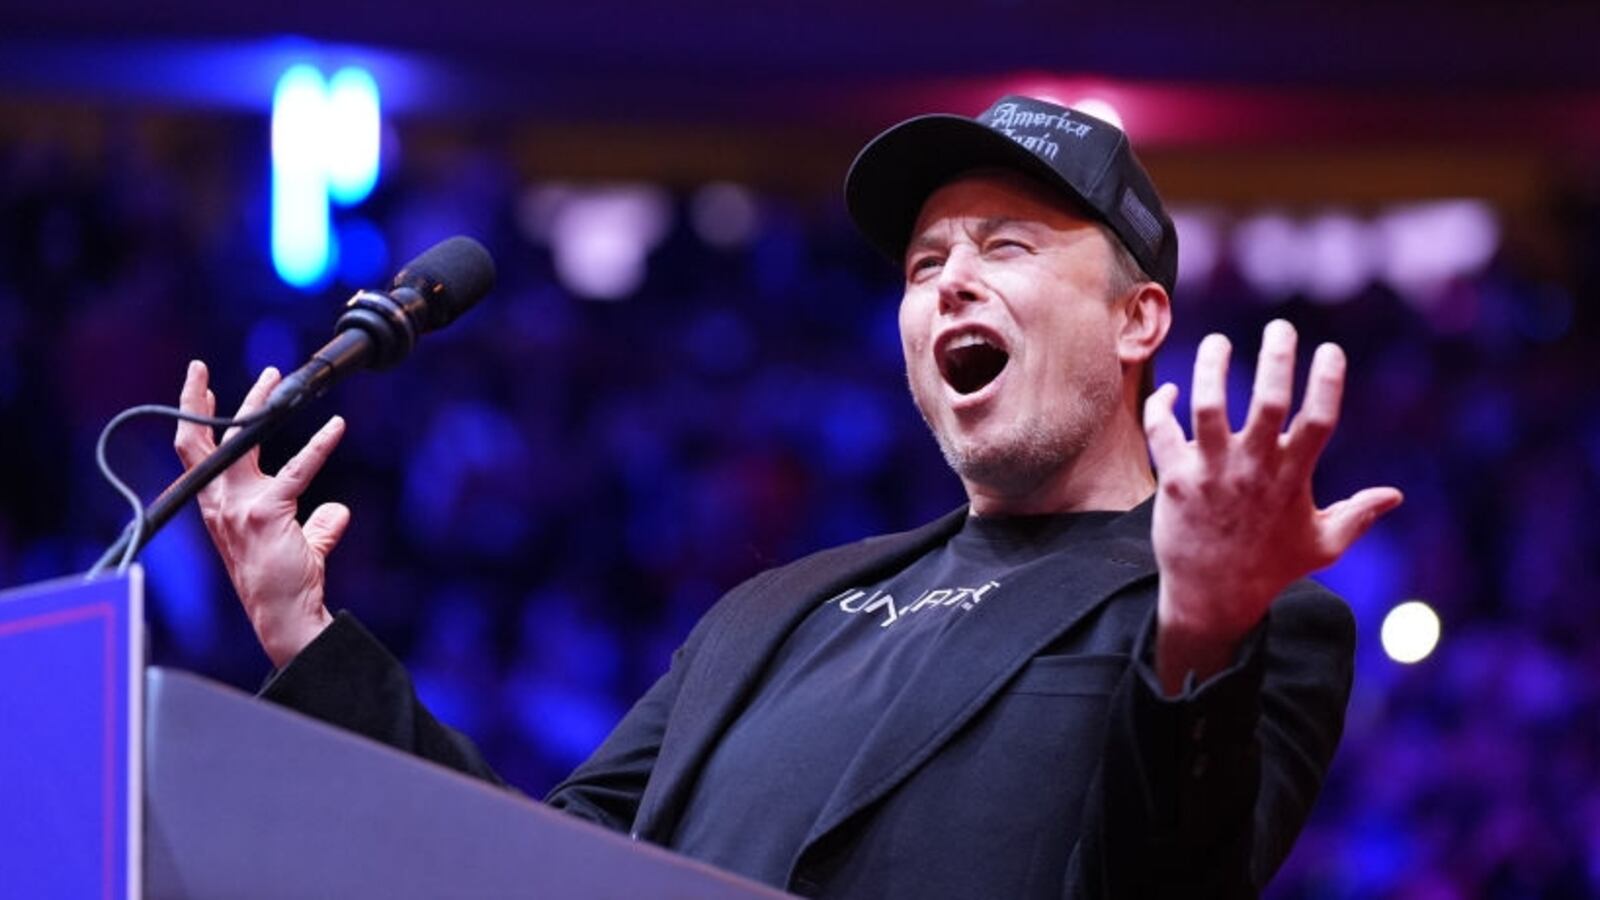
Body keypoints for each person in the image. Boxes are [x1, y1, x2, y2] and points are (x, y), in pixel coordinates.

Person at [173, 95, 1402, 898]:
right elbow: (531, 873)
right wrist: (304, 632)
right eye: (926, 267)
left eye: (1007, 248)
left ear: (1138, 319)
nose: (951, 285)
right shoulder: (775, 611)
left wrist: (1197, 636)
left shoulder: (1251, 624)